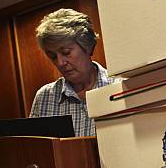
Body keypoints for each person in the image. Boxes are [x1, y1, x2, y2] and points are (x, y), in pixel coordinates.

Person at [29, 8, 115, 136]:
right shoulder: (44, 96)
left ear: (88, 46)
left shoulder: (118, 87)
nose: (60, 63)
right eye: (53, 56)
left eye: (66, 52)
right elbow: (37, 150)